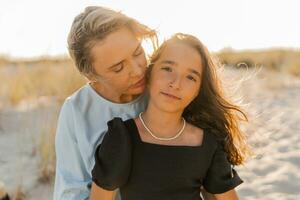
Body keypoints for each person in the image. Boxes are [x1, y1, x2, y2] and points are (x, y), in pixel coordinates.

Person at [90, 33, 251, 200]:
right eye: (167, 69)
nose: (175, 83)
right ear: (149, 73)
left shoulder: (208, 143)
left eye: (190, 77)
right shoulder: (122, 138)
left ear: (198, 90)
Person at [53, 6, 157, 200]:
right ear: (91, 75)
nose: (137, 70)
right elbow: (71, 193)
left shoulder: (163, 89)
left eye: (137, 52)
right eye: (118, 67)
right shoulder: (76, 110)